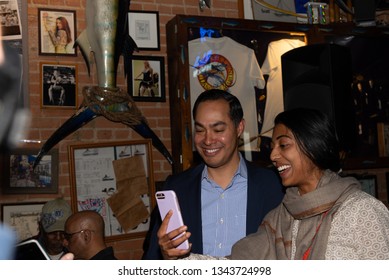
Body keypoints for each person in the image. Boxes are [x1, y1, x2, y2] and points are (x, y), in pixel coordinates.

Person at [226, 108, 389, 259]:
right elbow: (238, 265)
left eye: (283, 145)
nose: (273, 155)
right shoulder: (280, 217)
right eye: (272, 147)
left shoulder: (362, 211)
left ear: (313, 146)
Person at [142, 89, 284, 259]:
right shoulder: (177, 188)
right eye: (200, 130)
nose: (208, 140)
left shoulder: (274, 185)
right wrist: (166, 255)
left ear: (239, 128)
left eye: (218, 130)